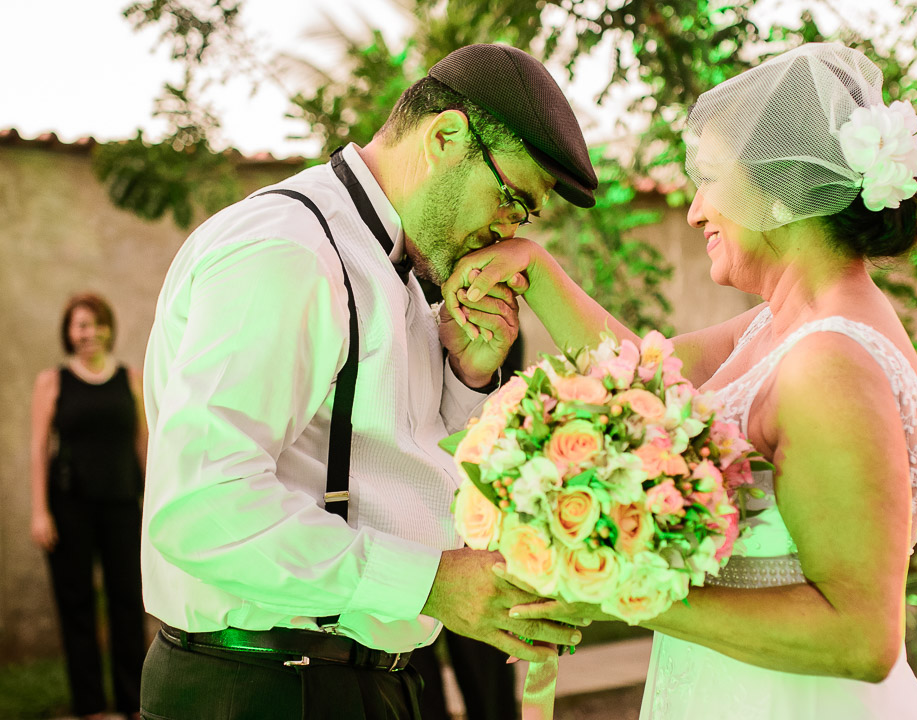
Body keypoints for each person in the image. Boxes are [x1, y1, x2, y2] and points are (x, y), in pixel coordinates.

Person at [442, 43, 917, 719]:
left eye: (710, 180)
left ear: (776, 190)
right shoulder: (779, 326)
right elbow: (641, 384)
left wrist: (618, 587)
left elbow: (861, 637)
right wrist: (532, 270)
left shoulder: (831, 364)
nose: (695, 211)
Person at [138, 44, 596, 720]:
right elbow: (204, 507)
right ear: (445, 137)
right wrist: (433, 585)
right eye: (511, 200)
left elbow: (394, 471)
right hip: (264, 688)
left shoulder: (399, 267)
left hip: (360, 685)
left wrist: (467, 379)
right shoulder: (290, 250)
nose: (508, 230)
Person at [29, 292, 148, 720]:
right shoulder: (52, 382)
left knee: (127, 603)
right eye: (80, 325)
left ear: (109, 328)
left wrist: (153, 501)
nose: (89, 333)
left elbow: (143, 445)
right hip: (69, 508)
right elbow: (39, 450)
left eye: (96, 324)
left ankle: (133, 703)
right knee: (76, 604)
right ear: (68, 333)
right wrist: (40, 511)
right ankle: (92, 707)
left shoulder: (131, 379)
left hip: (121, 505)